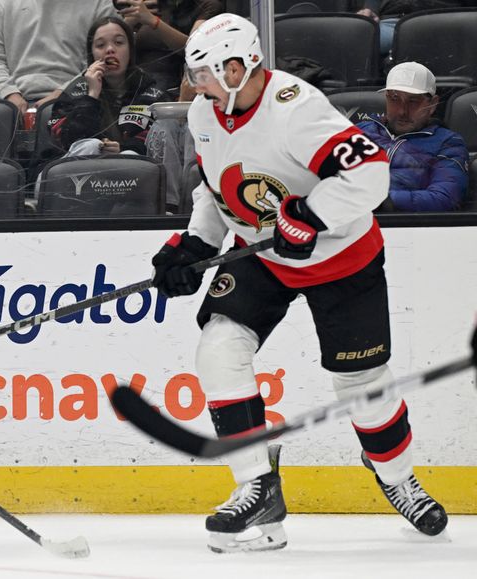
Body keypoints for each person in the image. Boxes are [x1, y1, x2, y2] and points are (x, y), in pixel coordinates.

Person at [150, 14, 447, 553]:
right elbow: (218, 190)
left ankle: (397, 476)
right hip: (262, 253)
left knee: (362, 389)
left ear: (237, 67)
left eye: (204, 74)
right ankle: (257, 487)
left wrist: (310, 214)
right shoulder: (206, 113)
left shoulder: (296, 110)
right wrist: (195, 243)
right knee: (219, 348)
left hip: (341, 257)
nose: (196, 86)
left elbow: (370, 173)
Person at [47, 16, 168, 160]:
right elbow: (68, 141)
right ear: (92, 54)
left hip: (131, 172)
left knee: (130, 156)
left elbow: (159, 140)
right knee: (90, 146)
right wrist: (91, 95)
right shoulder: (76, 90)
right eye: (100, 45)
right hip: (79, 173)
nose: (110, 49)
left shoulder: (151, 91)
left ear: (130, 49)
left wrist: (123, 148)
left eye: (119, 42)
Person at [357, 62, 468, 212]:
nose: (403, 111)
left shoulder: (448, 143)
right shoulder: (360, 131)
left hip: (405, 225)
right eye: (395, 99)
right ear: (386, 98)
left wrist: (383, 201)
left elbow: (446, 197)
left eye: (413, 101)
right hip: (348, 223)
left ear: (433, 104)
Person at [0, 0, 116, 117]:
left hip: (73, 99)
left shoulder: (99, 3)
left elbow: (104, 60)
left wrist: (62, 94)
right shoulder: (6, 3)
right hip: (12, 103)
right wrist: (10, 94)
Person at [116, 0, 223, 94]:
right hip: (136, 85)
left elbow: (194, 48)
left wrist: (154, 22)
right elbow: (115, 48)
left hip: (177, 86)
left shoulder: (206, 6)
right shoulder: (146, 5)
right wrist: (129, 22)